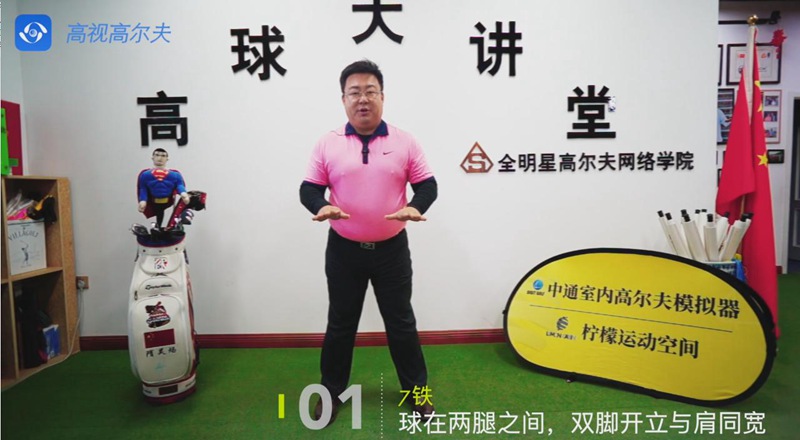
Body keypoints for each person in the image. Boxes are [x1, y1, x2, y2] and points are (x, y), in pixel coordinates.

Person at [300, 59, 438, 426]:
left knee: (401, 323)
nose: (363, 99)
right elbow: (309, 188)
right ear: (343, 99)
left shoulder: (405, 141)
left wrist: (415, 206)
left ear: (382, 96)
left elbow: (427, 184)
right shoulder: (328, 143)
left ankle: (417, 393)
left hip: (392, 250)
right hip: (343, 250)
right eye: (355, 92)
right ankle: (330, 393)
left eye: (370, 91)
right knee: (341, 324)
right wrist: (321, 206)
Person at [138, 148, 190, 228]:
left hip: (167, 200)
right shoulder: (145, 175)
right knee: (159, 214)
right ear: (152, 157)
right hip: (154, 201)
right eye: (157, 155)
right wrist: (143, 200)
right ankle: (158, 228)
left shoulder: (175, 175)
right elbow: (143, 188)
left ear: (167, 159)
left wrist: (183, 193)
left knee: (174, 215)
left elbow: (179, 185)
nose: (160, 158)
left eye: (163, 156)